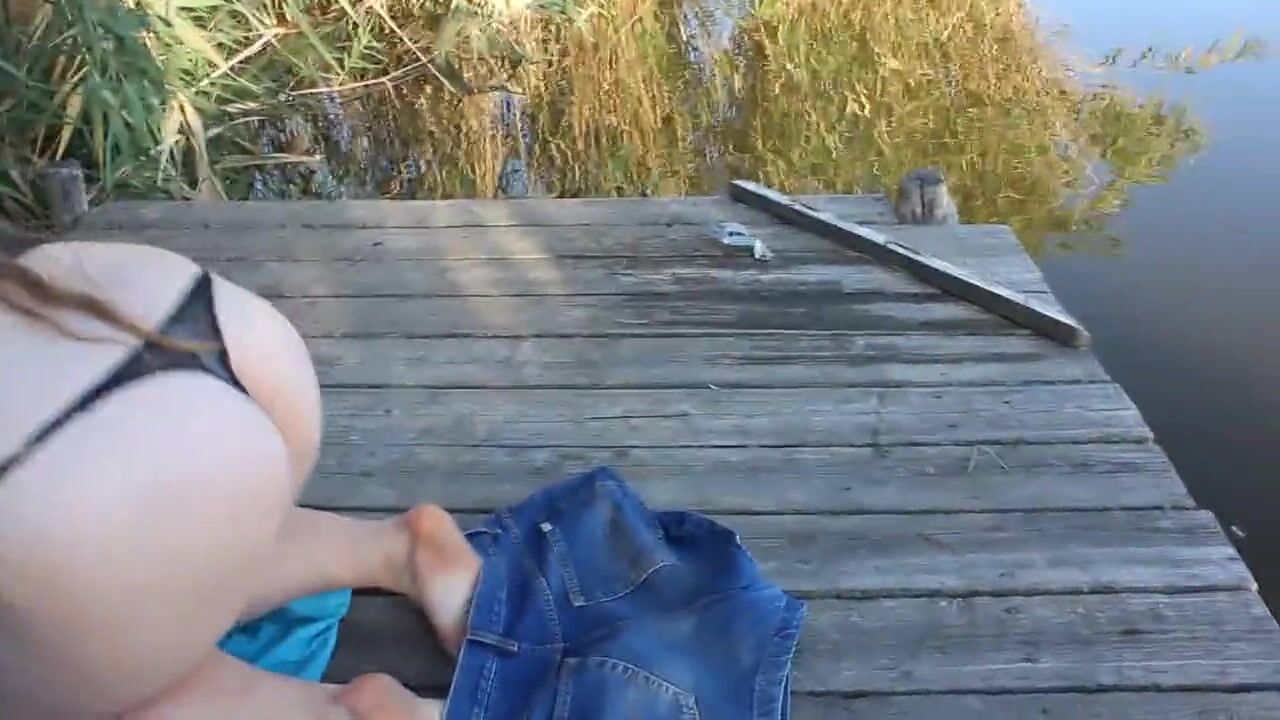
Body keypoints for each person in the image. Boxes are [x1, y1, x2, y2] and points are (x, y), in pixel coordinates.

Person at [0, 236, 480, 719]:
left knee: (82, 680)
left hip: (49, 477)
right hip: (179, 314)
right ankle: (395, 549)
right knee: (179, 546)